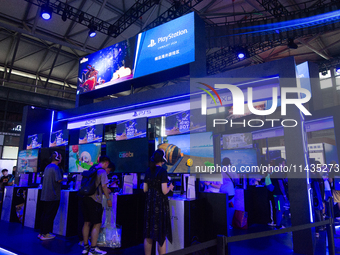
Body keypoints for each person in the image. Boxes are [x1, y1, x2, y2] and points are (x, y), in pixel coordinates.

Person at [143, 149, 174, 255]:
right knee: (161, 233)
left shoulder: (148, 170)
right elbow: (164, 191)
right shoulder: (162, 172)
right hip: (159, 205)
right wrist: (170, 187)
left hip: (149, 204)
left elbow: (145, 189)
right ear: (162, 159)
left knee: (148, 233)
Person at [82, 155, 112, 255]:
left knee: (86, 223)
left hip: (84, 197)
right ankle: (93, 249)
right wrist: (108, 199)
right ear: (106, 162)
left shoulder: (92, 168)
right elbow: (104, 186)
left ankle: (86, 247)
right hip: (95, 200)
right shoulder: (102, 171)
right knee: (97, 223)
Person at [38, 151, 63, 240]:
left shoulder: (47, 167)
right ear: (57, 158)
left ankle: (42, 233)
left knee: (45, 214)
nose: (61, 159)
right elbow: (58, 180)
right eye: (60, 157)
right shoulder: (56, 168)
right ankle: (45, 234)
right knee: (50, 215)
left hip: (45, 195)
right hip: (53, 196)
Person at [219, 157, 238, 234]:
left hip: (222, 191)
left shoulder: (220, 170)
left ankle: (222, 223)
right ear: (229, 162)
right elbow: (237, 180)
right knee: (231, 208)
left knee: (223, 208)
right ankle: (229, 224)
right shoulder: (232, 170)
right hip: (230, 192)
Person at [270, 158, 288, 229]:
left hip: (276, 193)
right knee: (280, 209)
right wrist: (284, 195)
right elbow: (280, 184)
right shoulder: (278, 172)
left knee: (279, 209)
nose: (284, 165)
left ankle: (278, 224)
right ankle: (278, 225)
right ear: (280, 164)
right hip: (279, 194)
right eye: (283, 163)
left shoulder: (275, 172)